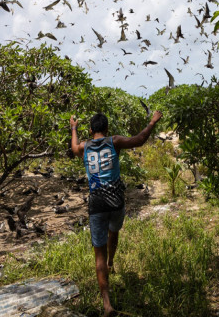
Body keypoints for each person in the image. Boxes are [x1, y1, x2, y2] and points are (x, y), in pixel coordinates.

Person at [70, 111, 162, 317]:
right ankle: (112, 262)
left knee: (98, 255)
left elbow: (74, 147)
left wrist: (73, 127)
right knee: (114, 230)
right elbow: (139, 140)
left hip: (97, 204)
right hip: (116, 201)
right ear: (107, 129)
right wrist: (152, 121)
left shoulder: (85, 147)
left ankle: (107, 305)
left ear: (91, 130)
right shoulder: (115, 141)